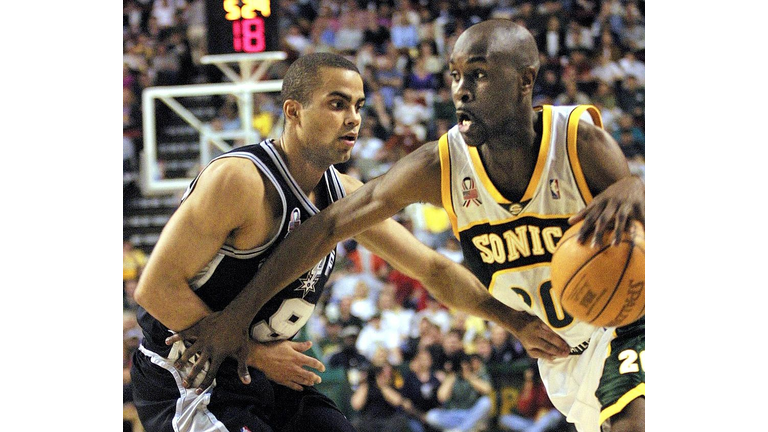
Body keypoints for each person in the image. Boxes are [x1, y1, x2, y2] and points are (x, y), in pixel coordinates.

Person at [170, 20, 645, 432]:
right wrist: (238, 316)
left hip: (628, 320)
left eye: (478, 74)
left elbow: (639, 233)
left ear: (526, 80)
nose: (461, 89)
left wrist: (639, 189)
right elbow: (327, 226)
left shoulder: (578, 141)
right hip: (561, 354)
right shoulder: (439, 165)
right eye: (456, 76)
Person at [424, 351, 494, 432]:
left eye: (466, 364)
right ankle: (467, 428)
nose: (464, 366)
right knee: (431, 416)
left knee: (486, 402)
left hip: (471, 413)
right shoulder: (452, 377)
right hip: (454, 414)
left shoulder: (477, 375)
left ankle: (461, 430)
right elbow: (441, 397)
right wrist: (452, 376)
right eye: (461, 364)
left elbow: (487, 390)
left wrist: (469, 376)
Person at [497, 365, 565, 432]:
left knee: (555, 414)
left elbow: (555, 405)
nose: (528, 382)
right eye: (526, 379)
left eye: (530, 379)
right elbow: (523, 409)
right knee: (504, 419)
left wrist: (544, 411)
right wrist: (527, 392)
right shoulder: (527, 389)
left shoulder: (544, 386)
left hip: (545, 419)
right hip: (531, 422)